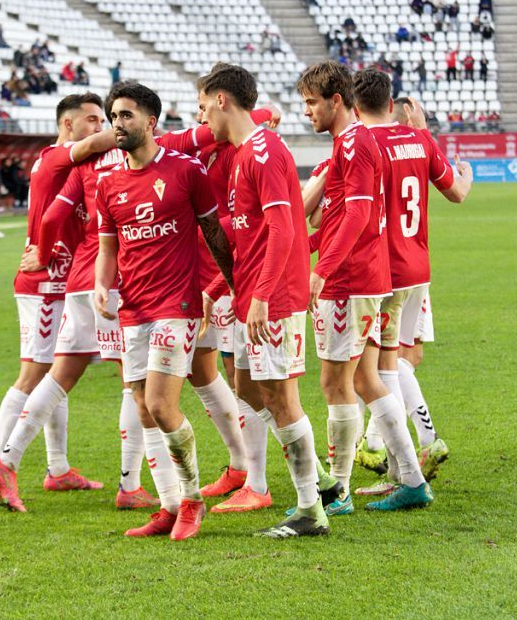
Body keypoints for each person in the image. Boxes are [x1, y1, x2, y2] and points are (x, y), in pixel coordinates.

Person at [89, 82, 233, 541]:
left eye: (126, 115)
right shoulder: (107, 182)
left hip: (179, 304)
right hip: (133, 307)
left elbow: (213, 232)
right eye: (114, 115)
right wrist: (99, 285)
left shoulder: (186, 170)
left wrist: (233, 285)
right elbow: (108, 248)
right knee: (142, 408)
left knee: (159, 403)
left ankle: (192, 500)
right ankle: (170, 505)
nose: (117, 123)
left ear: (151, 122)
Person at [198, 63, 329, 538]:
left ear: (221, 99)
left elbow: (283, 227)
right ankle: (320, 480)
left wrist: (263, 295)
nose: (202, 119)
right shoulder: (240, 156)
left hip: (273, 297)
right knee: (249, 386)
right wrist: (218, 289)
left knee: (281, 397)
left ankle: (311, 508)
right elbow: (246, 237)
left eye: (202, 107)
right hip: (251, 291)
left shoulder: (265, 150)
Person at [0, 94, 115, 513]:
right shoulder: (57, 156)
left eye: (102, 120)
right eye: (91, 120)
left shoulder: (66, 166)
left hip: (60, 275)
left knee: (60, 369)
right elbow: (94, 146)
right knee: (33, 374)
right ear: (68, 124)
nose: (98, 127)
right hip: (45, 279)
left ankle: (57, 468)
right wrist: (138, 128)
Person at [354, 94, 472, 498]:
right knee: (402, 357)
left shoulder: (362, 143)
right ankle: (395, 453)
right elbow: (457, 192)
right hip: (418, 267)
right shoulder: (418, 140)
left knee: (379, 363)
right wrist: (425, 133)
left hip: (382, 271)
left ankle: (422, 441)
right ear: (391, 103)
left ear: (353, 107)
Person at [294, 60, 382, 515]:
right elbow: (334, 221)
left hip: (350, 279)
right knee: (350, 380)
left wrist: (320, 270)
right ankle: (356, 480)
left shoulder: (355, 143)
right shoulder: (345, 144)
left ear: (335, 100)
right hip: (352, 275)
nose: (306, 111)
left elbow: (357, 215)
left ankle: (341, 488)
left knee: (335, 381)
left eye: (311, 102)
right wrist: (301, 249)